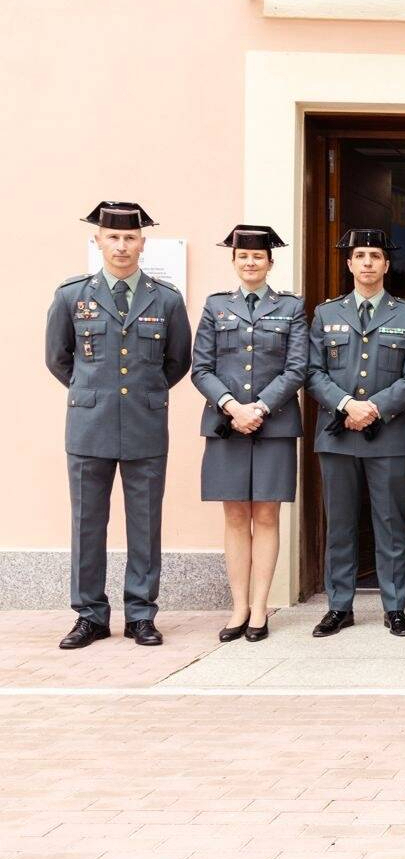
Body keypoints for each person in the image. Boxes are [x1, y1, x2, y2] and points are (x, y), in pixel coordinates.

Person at [46, 201, 192, 649]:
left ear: (142, 244)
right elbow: (58, 358)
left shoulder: (165, 299)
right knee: (87, 523)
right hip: (90, 425)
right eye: (113, 237)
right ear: (98, 241)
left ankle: (141, 615)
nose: (122, 245)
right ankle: (89, 615)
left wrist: (142, 394)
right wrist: (95, 392)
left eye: (130, 238)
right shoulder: (72, 295)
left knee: (145, 524)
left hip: (146, 426)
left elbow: (177, 361)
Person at [306, 229, 405, 637]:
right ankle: (339, 606)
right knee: (339, 525)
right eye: (361, 255)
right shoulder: (327, 313)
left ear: (386, 265)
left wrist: (374, 408)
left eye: (375, 255)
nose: (368, 263)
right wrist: (347, 405)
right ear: (349, 264)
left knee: (391, 524)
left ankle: (395, 606)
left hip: (388, 435)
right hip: (337, 434)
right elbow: (312, 371)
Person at [191, 225, 307, 643]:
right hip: (226, 425)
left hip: (273, 425)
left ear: (270, 262)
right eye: (243, 257)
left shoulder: (291, 307)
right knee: (236, 514)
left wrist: (258, 408)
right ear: (235, 262)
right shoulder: (216, 305)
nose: (251, 262)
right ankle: (238, 605)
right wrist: (231, 407)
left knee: (267, 513)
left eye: (258, 257)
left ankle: (261, 607)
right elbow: (200, 367)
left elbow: (296, 368)